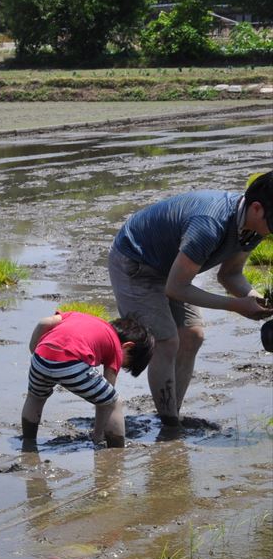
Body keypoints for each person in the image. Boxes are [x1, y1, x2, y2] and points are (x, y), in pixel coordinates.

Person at [107, 171, 273, 427]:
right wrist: (236, 306)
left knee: (193, 335)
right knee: (166, 341)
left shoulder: (254, 227)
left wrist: (255, 299)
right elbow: (176, 287)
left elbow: (230, 275)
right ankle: (170, 423)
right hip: (135, 262)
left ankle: (172, 412)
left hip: (170, 267)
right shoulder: (210, 225)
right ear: (257, 207)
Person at [20, 311, 154, 448]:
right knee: (113, 403)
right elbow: (104, 401)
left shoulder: (77, 316)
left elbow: (45, 322)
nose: (120, 365)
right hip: (71, 362)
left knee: (35, 397)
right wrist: (98, 435)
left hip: (41, 356)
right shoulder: (116, 347)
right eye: (125, 363)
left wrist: (34, 350)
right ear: (127, 346)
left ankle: (28, 442)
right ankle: (116, 453)